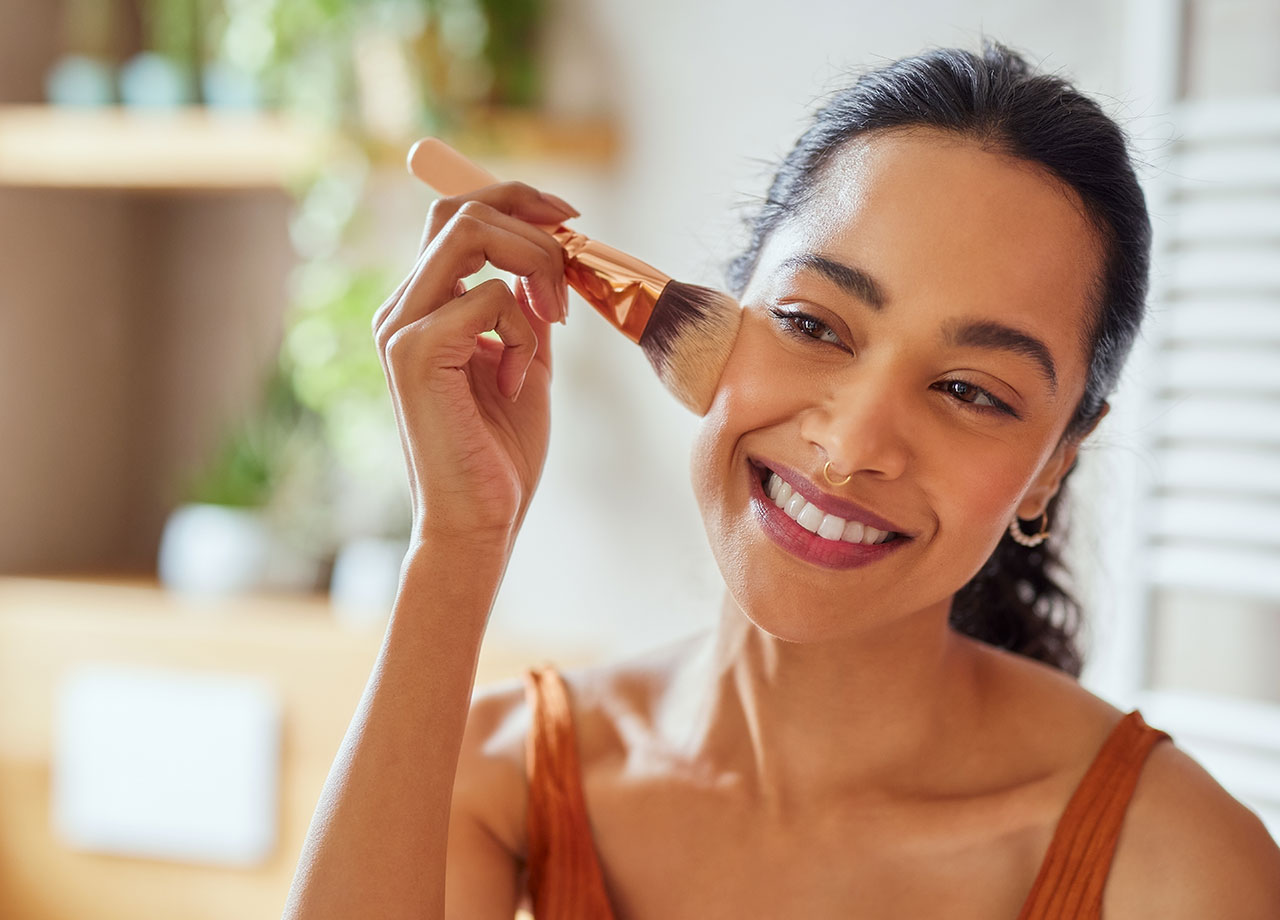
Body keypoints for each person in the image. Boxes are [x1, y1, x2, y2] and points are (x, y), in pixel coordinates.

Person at [283, 40, 1280, 919]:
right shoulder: (494, 780)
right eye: (809, 325)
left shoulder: (1182, 865)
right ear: (723, 310)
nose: (850, 447)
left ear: (1051, 464)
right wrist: (455, 542)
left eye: (968, 389)